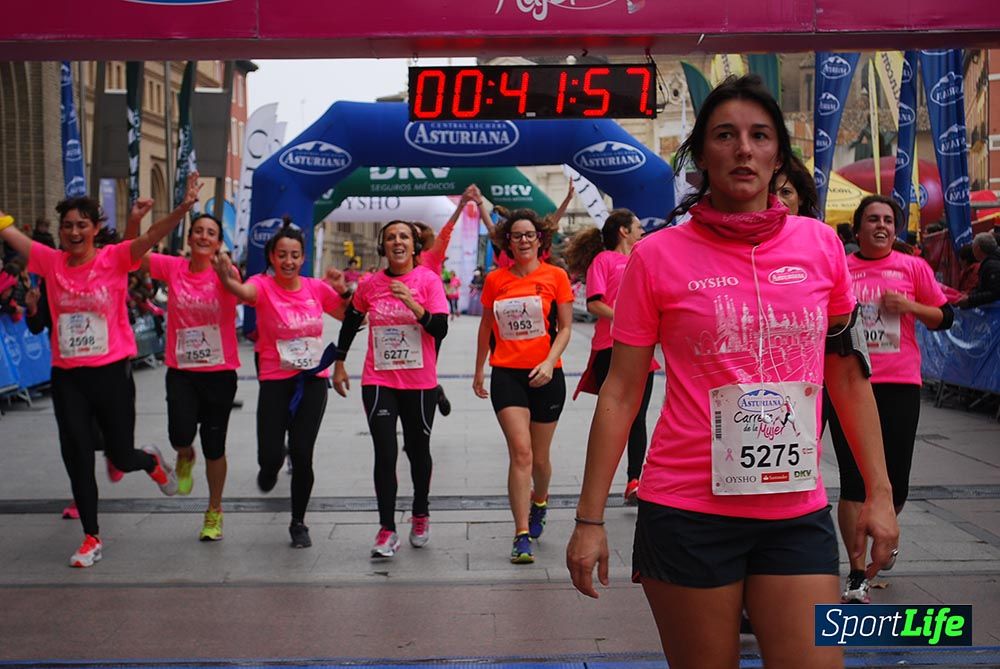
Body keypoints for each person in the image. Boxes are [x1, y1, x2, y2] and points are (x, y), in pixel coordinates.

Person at [565, 75, 898, 669]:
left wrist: (880, 493)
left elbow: (848, 376)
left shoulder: (821, 246)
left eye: (759, 136)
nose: (743, 148)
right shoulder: (656, 256)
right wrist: (589, 519)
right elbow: (621, 391)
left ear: (778, 156)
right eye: (725, 135)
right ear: (700, 154)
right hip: (687, 510)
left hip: (795, 512)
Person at [0, 178, 202, 568]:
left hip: (110, 374)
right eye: (67, 226)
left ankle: (150, 462)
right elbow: (11, 234)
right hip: (67, 377)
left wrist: (182, 208)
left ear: (95, 228)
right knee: (76, 453)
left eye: (82, 225)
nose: (74, 232)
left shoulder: (115, 258)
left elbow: (152, 236)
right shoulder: (50, 261)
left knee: (121, 457)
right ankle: (91, 536)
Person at [825, 195, 954, 604]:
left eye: (888, 220)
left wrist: (908, 305)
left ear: (895, 230)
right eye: (872, 219)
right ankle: (856, 572)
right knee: (853, 480)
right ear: (857, 228)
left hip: (899, 383)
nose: (881, 226)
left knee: (894, 486)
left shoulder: (913, 267)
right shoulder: (841, 267)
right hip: (849, 381)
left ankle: (883, 531)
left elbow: (945, 316)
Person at [213, 218, 349, 549]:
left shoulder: (315, 288)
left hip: (312, 380)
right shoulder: (262, 285)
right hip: (275, 381)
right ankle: (272, 464)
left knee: (303, 453)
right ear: (272, 257)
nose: (289, 261)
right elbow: (242, 292)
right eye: (282, 255)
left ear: (303, 258)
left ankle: (298, 522)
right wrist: (225, 277)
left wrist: (343, 289)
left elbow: (349, 316)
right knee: (270, 456)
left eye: (295, 255)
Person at [332, 220, 449, 558]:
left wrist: (414, 305)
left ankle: (420, 513)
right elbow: (351, 320)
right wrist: (339, 362)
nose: (397, 242)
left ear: (414, 246)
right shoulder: (370, 284)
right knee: (384, 453)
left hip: (419, 383)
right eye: (391, 237)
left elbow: (440, 329)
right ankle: (387, 529)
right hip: (379, 380)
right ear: (383, 246)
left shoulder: (428, 280)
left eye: (404, 237)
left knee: (417, 450)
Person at [473, 208, 574, 564]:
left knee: (540, 460)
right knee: (521, 453)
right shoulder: (495, 280)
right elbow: (486, 327)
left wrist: (548, 361)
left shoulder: (556, 276)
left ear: (540, 239)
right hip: (507, 374)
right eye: (517, 235)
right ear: (508, 242)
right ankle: (520, 534)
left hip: (546, 375)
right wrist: (479, 370)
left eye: (530, 234)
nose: (524, 240)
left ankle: (540, 501)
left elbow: (565, 328)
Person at [145, 213, 241, 541]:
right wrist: (156, 218)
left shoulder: (226, 272)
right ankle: (185, 455)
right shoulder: (173, 268)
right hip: (182, 372)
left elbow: (240, 291)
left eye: (210, 233)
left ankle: (214, 511)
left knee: (215, 447)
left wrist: (225, 269)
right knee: (180, 435)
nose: (203, 236)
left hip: (219, 373)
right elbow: (133, 253)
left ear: (218, 242)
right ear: (189, 239)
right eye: (197, 231)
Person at [564, 209, 655, 505]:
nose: (643, 231)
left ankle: (634, 481)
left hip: (642, 350)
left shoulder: (642, 259)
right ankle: (598, 485)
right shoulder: (603, 261)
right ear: (623, 231)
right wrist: (626, 317)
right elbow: (594, 303)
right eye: (638, 226)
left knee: (638, 417)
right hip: (610, 348)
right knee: (612, 416)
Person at [957, 231, 1000, 308]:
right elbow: (983, 288)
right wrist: (970, 294)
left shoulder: (991, 266)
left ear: (978, 248)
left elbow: (995, 293)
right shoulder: (989, 262)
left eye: (973, 246)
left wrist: (970, 299)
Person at [772, 153, 819, 219]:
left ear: (801, 197)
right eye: (771, 194)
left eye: (786, 192)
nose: (778, 201)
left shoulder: (815, 226)